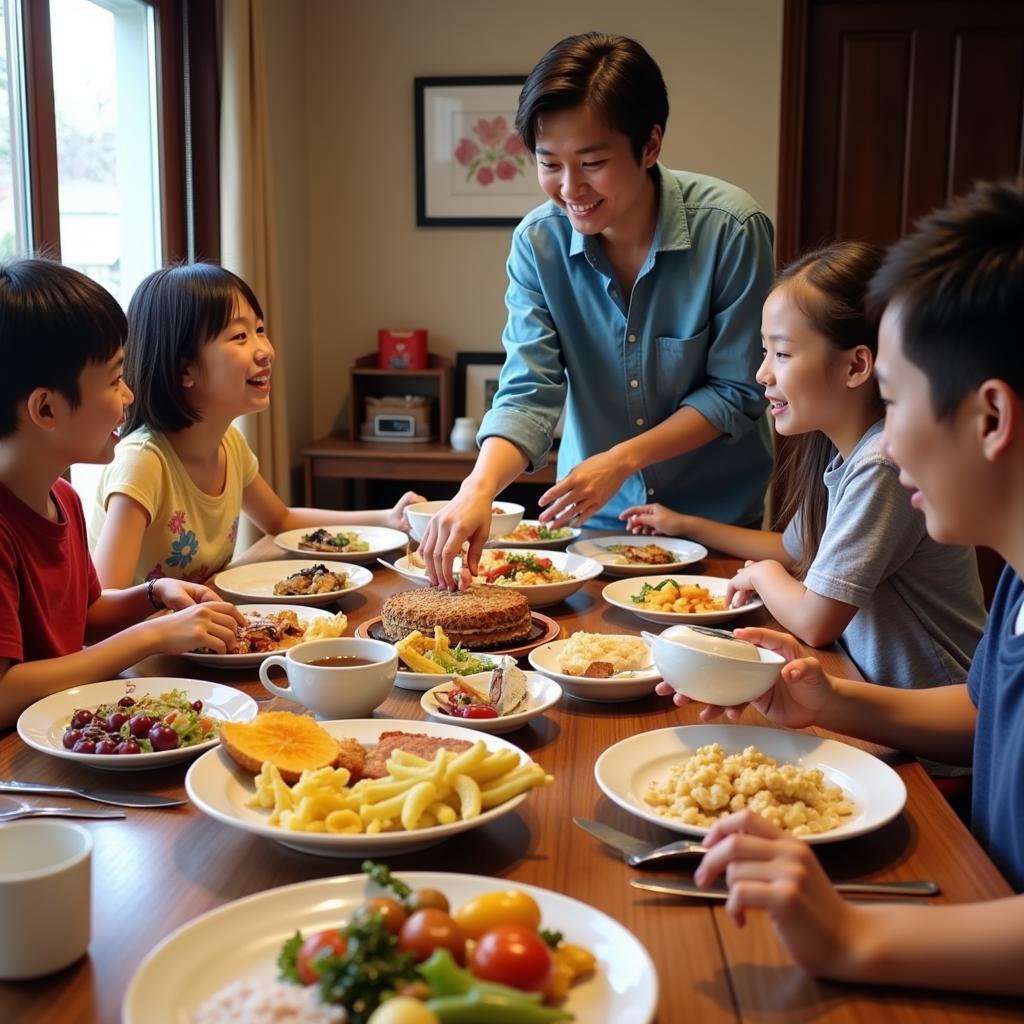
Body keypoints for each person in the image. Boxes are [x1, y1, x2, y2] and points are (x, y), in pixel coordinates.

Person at [680, 179, 1024, 996]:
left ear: (990, 419)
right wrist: (829, 703)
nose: (886, 442)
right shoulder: (1016, 577)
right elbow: (984, 713)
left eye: (896, 401)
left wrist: (850, 935)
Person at [421, 31, 774, 588]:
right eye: (549, 163)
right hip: (592, 524)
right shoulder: (537, 244)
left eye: (591, 162)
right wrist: (477, 490)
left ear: (650, 144)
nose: (569, 188)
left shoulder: (731, 229)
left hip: (717, 527)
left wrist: (623, 459)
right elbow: (528, 389)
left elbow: (737, 391)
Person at [622, 242, 984, 688]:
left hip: (931, 742)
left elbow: (816, 621)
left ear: (856, 366)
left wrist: (762, 574)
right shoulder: (843, 450)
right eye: (764, 352)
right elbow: (793, 549)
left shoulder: (882, 464)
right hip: (866, 689)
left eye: (783, 354)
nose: (762, 374)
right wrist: (684, 524)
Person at [0, 259, 246, 728]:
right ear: (46, 408)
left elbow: (86, 615)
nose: (129, 396)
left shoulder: (61, 498)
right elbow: (4, 693)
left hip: (70, 728)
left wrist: (153, 595)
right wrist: (150, 638)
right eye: (114, 380)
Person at [87, 264, 423, 587]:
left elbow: (281, 521)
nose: (264, 351)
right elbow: (105, 599)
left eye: (259, 330)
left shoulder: (229, 444)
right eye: (239, 336)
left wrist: (388, 518)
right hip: (152, 642)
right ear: (183, 369)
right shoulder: (143, 463)